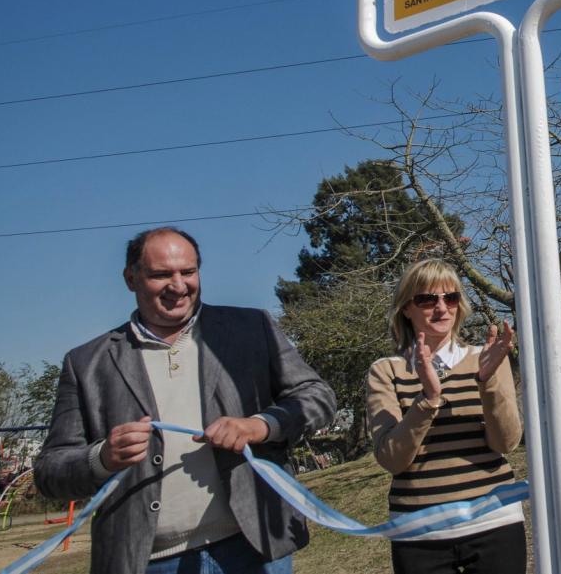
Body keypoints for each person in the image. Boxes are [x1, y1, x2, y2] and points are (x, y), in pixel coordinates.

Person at [34, 227, 337, 574]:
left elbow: (317, 397)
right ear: (130, 278)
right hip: (147, 563)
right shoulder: (87, 363)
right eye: (161, 274)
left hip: (253, 549)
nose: (178, 286)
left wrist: (260, 425)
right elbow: (49, 472)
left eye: (188, 272)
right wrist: (101, 458)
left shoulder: (252, 327)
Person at [365, 259, 524, 574]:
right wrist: (428, 399)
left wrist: (487, 382)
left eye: (450, 298)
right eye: (427, 299)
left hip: (493, 521)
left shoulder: (486, 358)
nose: (441, 308)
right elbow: (392, 459)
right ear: (406, 309)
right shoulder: (386, 371)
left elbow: (506, 442)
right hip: (420, 532)